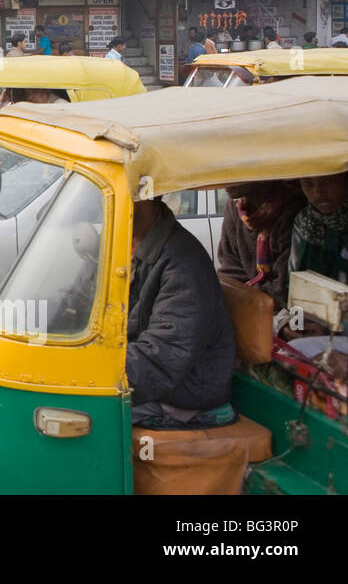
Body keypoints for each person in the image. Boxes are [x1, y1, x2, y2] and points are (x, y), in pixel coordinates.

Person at [126, 198, 237, 429]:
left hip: (184, 392)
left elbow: (162, 359)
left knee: (78, 415)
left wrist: (92, 368)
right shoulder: (123, 245)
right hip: (148, 378)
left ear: (147, 196)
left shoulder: (184, 263)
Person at [216, 180, 305, 308]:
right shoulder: (234, 208)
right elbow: (230, 267)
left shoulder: (292, 210)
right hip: (250, 304)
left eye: (233, 171)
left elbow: (284, 285)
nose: (224, 181)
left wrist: (242, 296)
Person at [289, 172, 348, 284]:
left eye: (328, 181)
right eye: (308, 183)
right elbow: (294, 278)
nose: (318, 193)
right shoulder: (305, 220)